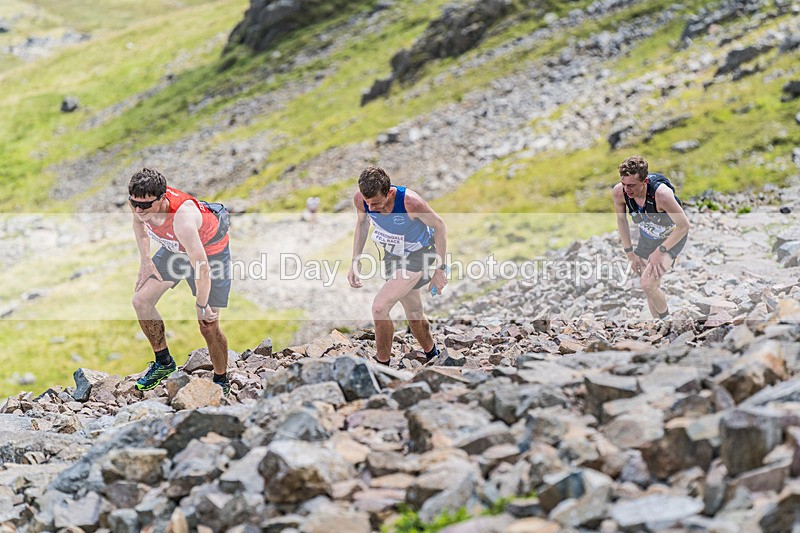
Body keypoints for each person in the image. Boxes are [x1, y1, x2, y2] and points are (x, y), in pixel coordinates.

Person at [128, 168, 232, 395]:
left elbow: (202, 267)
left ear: (162, 198)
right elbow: (139, 225)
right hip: (175, 249)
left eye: (145, 205)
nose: (138, 209)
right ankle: (163, 362)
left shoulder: (182, 219)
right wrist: (146, 261)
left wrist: (202, 305)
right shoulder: (140, 203)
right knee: (141, 301)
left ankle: (221, 380)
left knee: (208, 325)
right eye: (134, 203)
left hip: (209, 253)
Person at [347, 166, 448, 366]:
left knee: (379, 308)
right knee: (414, 314)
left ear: (389, 192)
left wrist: (440, 269)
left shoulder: (410, 202)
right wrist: (355, 260)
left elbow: (440, 226)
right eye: (368, 203)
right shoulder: (362, 200)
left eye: (376, 203)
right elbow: (362, 224)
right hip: (393, 255)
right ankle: (434, 356)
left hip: (421, 254)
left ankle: (382, 366)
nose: (372, 208)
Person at [612, 155, 690, 320]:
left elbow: (683, 226)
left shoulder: (662, 195)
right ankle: (657, 326)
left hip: (672, 236)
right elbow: (621, 219)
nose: (627, 190)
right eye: (624, 184)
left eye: (632, 185)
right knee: (649, 285)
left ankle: (666, 321)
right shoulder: (619, 192)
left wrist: (660, 251)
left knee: (647, 284)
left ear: (645, 181)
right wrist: (629, 253)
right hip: (648, 235)